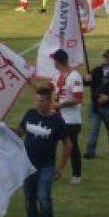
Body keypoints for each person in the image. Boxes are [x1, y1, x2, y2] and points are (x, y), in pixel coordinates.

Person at [17, 86, 66, 217]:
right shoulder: (30, 114)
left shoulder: (57, 121)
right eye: (37, 100)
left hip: (46, 166)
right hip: (28, 165)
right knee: (29, 200)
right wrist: (2, 128)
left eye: (43, 101)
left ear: (50, 102)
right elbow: (20, 132)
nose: (39, 104)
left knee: (44, 198)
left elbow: (68, 144)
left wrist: (60, 167)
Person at [48, 48, 83, 185]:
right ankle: (52, 171)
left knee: (71, 146)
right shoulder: (57, 75)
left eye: (54, 60)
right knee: (50, 144)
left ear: (58, 61)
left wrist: (59, 105)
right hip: (56, 118)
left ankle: (76, 174)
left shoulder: (74, 76)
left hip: (71, 120)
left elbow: (78, 99)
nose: (53, 63)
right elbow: (48, 88)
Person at [83, 49, 109, 159]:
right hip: (95, 106)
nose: (106, 59)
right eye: (105, 57)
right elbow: (86, 82)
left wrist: (108, 97)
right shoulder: (95, 71)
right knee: (93, 129)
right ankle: (90, 152)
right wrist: (86, 79)